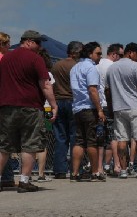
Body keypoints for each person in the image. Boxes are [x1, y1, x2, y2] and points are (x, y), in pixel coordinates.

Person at [0, 30, 57, 193]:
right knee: (30, 144)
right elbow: (45, 84)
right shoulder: (35, 59)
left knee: (4, 146)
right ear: (29, 42)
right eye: (38, 43)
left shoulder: (6, 59)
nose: (40, 47)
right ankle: (24, 181)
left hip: (6, 107)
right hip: (30, 107)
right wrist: (53, 105)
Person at [105, 42, 137, 179]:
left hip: (118, 108)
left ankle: (123, 170)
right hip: (135, 107)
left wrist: (111, 106)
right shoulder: (135, 66)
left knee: (122, 139)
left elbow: (107, 91)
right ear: (130, 52)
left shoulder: (112, 68)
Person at [70, 41, 105, 182]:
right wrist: (100, 110)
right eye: (98, 53)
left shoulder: (75, 68)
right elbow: (92, 90)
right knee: (92, 141)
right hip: (89, 108)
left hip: (77, 108)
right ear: (90, 54)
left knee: (79, 141)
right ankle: (95, 172)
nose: (100, 56)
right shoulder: (91, 68)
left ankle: (75, 173)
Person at [51, 40, 83, 179]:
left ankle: (59, 170)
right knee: (75, 137)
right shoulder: (78, 66)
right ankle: (76, 169)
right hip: (73, 102)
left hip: (58, 101)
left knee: (60, 137)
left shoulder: (56, 65)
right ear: (77, 52)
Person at [97, 43, 123, 176]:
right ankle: (117, 165)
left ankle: (101, 166)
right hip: (110, 103)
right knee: (114, 136)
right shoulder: (113, 67)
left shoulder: (97, 64)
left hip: (98, 104)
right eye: (121, 55)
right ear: (114, 54)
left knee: (101, 137)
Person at [35, 48, 56, 183]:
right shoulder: (48, 74)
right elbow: (50, 91)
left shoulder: (30, 73)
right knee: (45, 140)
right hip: (47, 108)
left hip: (34, 108)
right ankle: (41, 173)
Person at [0, 31, 16, 189]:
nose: (10, 46)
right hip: (4, 104)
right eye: (7, 43)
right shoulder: (5, 60)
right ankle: (7, 177)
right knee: (5, 143)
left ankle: (7, 176)